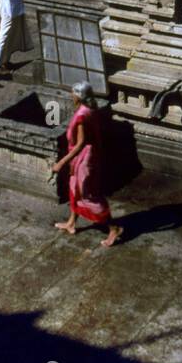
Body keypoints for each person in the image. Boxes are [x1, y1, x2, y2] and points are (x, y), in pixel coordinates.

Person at [51, 83, 121, 248]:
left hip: (85, 159)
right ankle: (71, 223)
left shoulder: (82, 115)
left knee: (87, 194)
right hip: (84, 157)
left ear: (79, 96)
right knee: (75, 188)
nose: (71, 95)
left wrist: (62, 162)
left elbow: (80, 144)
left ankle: (114, 228)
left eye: (73, 93)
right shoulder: (87, 109)